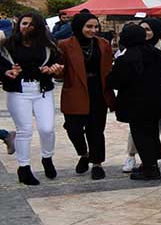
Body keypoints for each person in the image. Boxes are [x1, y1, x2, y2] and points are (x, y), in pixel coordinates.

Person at [0, 12, 63, 185]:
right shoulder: (8, 45)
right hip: (18, 92)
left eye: (32, 24)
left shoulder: (48, 46)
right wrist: (6, 72)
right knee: (24, 130)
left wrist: (53, 69)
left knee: (47, 128)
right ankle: (24, 168)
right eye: (24, 23)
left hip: (42, 90)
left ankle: (47, 157)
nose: (26, 27)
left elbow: (58, 63)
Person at [58, 12, 116, 180]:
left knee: (96, 129)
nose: (93, 30)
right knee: (73, 128)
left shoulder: (103, 44)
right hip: (75, 89)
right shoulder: (64, 45)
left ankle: (97, 163)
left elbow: (108, 68)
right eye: (89, 26)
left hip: (98, 91)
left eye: (95, 26)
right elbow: (60, 69)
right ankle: (84, 154)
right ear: (79, 27)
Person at [108, 24, 161, 181]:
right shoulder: (156, 53)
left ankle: (150, 169)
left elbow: (115, 82)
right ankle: (151, 163)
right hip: (156, 101)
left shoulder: (125, 59)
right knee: (152, 133)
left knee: (140, 135)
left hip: (135, 104)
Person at [122, 19, 161, 171]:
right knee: (138, 127)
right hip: (139, 95)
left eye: (148, 29)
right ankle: (131, 155)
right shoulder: (131, 48)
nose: (144, 33)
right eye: (142, 29)